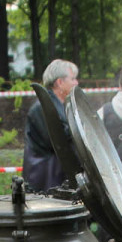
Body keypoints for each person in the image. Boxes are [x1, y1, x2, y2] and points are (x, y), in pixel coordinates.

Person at [23, 58, 78, 191]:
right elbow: (58, 142)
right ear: (60, 82)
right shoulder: (43, 108)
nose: (76, 82)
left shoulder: (62, 106)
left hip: (57, 176)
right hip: (45, 180)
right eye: (73, 79)